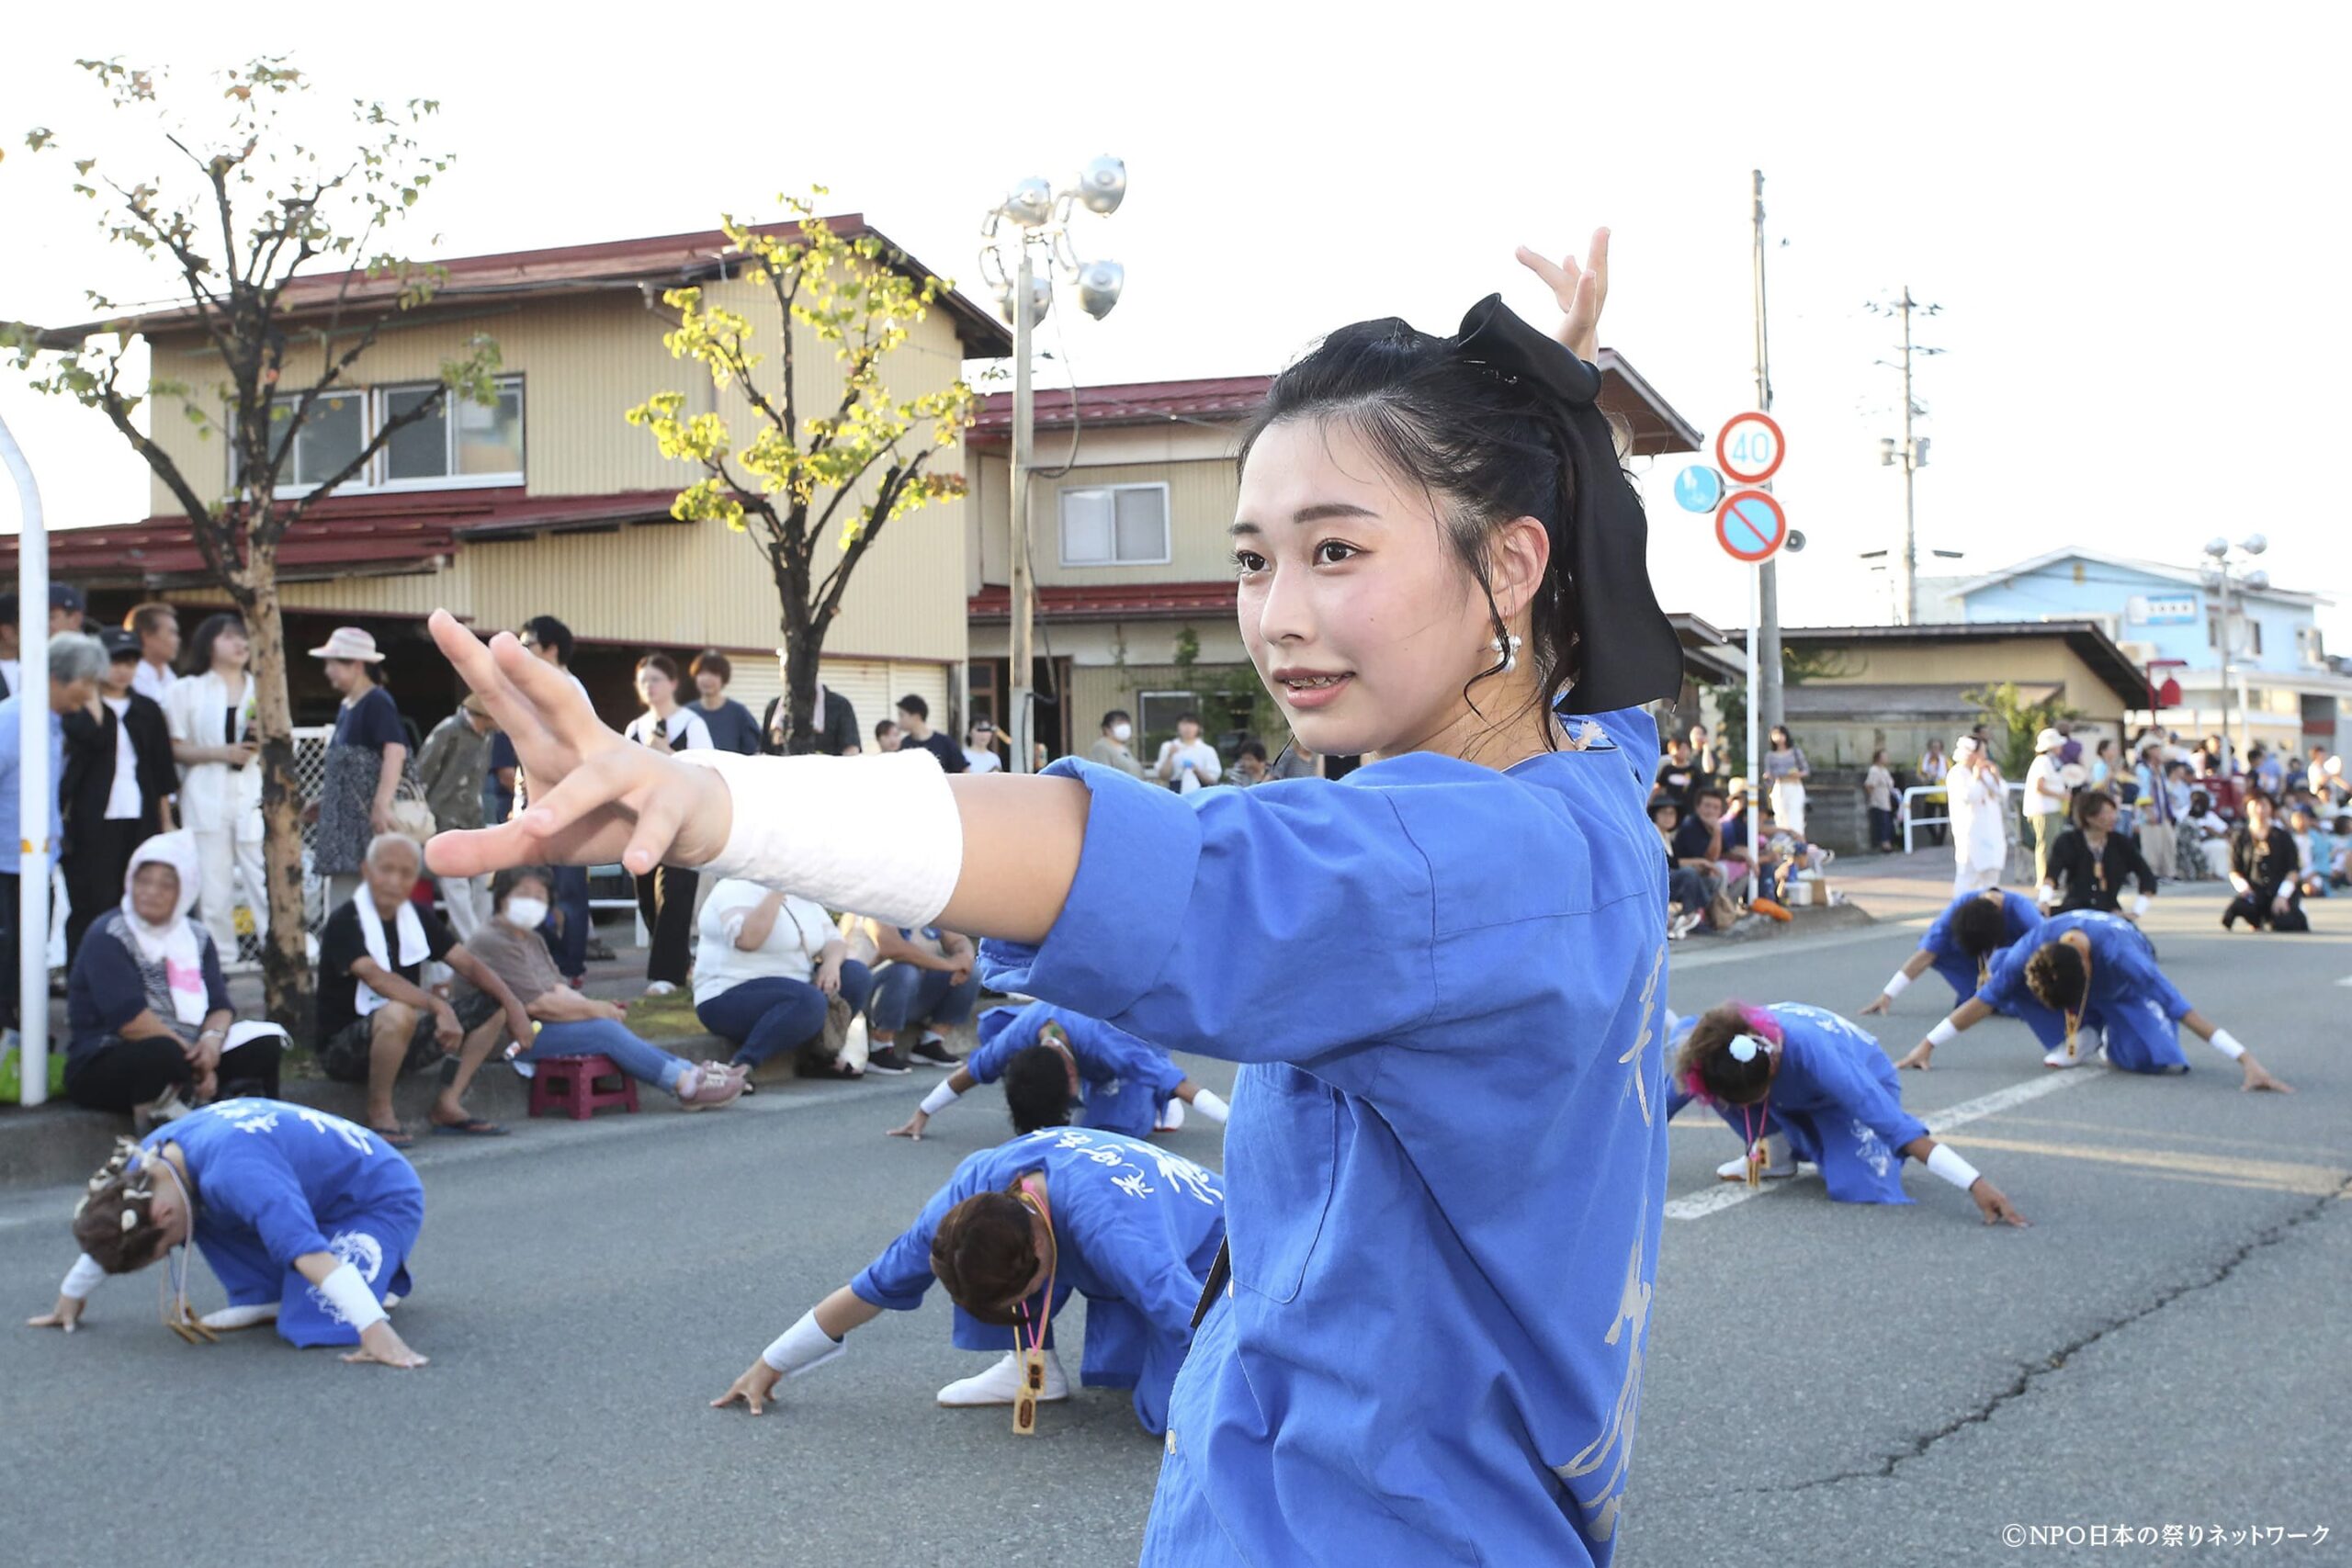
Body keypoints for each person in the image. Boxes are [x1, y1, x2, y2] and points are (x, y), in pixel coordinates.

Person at [426, 232, 1688, 1563]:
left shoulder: (1441, 856)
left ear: (1510, 565)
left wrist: (720, 802)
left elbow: (1137, 868)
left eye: (1337, 551)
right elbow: (1596, 660)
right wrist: (1566, 404)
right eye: (1255, 559)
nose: (1278, 616)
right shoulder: (1593, 781)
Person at [712, 1124, 1227, 1438]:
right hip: (1095, 1240)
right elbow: (874, 1286)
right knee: (974, 1267)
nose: (1017, 1314)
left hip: (1213, 1252)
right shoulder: (964, 1204)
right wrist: (768, 1364)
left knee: (1172, 1420)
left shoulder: (1118, 1237)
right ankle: (1032, 1372)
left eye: (1022, 1301)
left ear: (1044, 1247)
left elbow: (1197, 1319)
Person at [28, 1101, 429, 1363]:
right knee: (201, 1209)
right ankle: (271, 1293)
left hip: (373, 1196)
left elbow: (305, 1248)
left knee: (315, 1324)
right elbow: (123, 1220)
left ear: (164, 1213)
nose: (174, 1248)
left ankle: (362, 1291)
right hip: (298, 1190)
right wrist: (72, 1294)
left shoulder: (238, 1173)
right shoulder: (151, 1162)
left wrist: (374, 1330)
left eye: (169, 1245)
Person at [1668, 1004, 2025, 1221]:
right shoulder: (1720, 1046)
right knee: (1695, 1063)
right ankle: (1774, 1151)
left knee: (1857, 1184)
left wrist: (1974, 1182)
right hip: (1786, 1092)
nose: (1741, 1109)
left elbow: (1895, 1125)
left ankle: (1797, 1140)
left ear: (1774, 1066)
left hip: (1856, 1086)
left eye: (1750, 1101)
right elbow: (1662, 1104)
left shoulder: (1819, 1059)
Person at [1898, 909, 2292, 1089]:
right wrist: (1926, 1045)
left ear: (2087, 969)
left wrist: (2247, 1061)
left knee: (2151, 1061)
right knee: (2001, 969)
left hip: (2122, 990)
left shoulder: (2127, 961)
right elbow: (1983, 1002)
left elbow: (2186, 1011)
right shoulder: (2031, 950)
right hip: (2065, 974)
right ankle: (2080, 1032)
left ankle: (2110, 1033)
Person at [314, 833, 536, 1146]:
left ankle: (449, 1102)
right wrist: (438, 1006)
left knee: (494, 1003)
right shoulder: (345, 920)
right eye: (386, 870)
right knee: (398, 1012)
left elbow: (469, 965)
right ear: (366, 870)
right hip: (344, 1048)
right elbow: (377, 978)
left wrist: (514, 1005)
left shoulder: (416, 917)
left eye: (405, 873)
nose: (394, 880)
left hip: (402, 1038)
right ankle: (380, 1112)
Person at [460, 867, 743, 1109]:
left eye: (539, 897)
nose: (531, 903)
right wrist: (594, 1009)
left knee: (604, 1023)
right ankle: (685, 1086)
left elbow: (557, 988)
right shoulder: (494, 940)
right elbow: (537, 1004)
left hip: (531, 1027)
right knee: (603, 1030)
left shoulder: (530, 938)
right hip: (504, 1037)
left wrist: (595, 1009)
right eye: (523, 895)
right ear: (503, 897)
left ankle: (688, 1070)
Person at [62, 833, 286, 1125]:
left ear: (185, 890)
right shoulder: (109, 933)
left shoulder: (196, 936)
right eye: (144, 881)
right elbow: (131, 1022)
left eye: (165, 884)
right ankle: (160, 1144)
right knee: (160, 1054)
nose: (151, 891)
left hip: (189, 1055)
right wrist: (196, 1062)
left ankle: (255, 1129)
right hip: (110, 1057)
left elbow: (219, 1005)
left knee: (263, 1041)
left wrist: (211, 1045)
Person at [890, 1000, 1232, 1143]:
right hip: (1066, 1027)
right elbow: (971, 1072)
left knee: (1110, 1134)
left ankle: (1153, 1098)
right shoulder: (1019, 1037)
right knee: (991, 1028)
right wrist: (923, 1112)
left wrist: (1236, 1123)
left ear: (1073, 1077)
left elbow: (1184, 1085)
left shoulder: (1111, 1046)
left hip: (1138, 1036)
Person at [1, 634, 107, 1035]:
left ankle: (18, 1043)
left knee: (26, 959)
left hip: (35, 861)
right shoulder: (13, 720)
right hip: (6, 862)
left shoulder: (56, 724)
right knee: (7, 956)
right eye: (89, 682)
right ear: (62, 677)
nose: (92, 693)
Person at [61, 630, 178, 963]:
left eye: (130, 661)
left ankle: (138, 973)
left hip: (141, 818)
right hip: (91, 819)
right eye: (114, 661)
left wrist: (166, 823)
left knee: (140, 899)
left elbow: (161, 770)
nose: (122, 670)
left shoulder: (147, 709)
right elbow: (84, 747)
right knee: (92, 902)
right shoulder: (78, 706)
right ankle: (82, 977)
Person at [693, 876, 874, 1082]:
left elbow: (834, 940)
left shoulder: (802, 894)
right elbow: (748, 940)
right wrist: (776, 892)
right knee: (809, 1001)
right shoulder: (733, 888)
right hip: (730, 992)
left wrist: (830, 964)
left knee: (856, 976)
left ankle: (820, 1057)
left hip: (797, 989)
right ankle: (742, 1067)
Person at [164, 613, 266, 967]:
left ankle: (278, 949)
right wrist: (220, 753)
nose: (241, 645)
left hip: (253, 792)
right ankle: (221, 960)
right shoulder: (186, 690)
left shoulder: (264, 688)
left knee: (262, 873)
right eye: (230, 637)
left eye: (244, 638)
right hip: (205, 793)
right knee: (212, 883)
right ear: (209, 643)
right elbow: (174, 746)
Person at [623, 653, 711, 993]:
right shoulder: (635, 728)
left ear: (673, 683)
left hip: (683, 824)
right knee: (647, 896)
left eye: (656, 680)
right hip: (642, 824)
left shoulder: (692, 724)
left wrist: (666, 751)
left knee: (674, 894)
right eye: (644, 681)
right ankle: (680, 964)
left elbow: (705, 775)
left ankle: (666, 976)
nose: (650, 687)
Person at [516, 616, 594, 986]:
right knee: (536, 886)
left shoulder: (567, 688)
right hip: (541, 801)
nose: (521, 653)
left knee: (568, 892)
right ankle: (559, 965)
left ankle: (570, 969)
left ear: (551, 649)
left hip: (568, 802)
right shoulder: (540, 687)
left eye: (527, 645)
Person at [311, 627, 408, 913]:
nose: (328, 671)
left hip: (365, 825)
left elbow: (395, 749)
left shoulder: (377, 701)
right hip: (344, 827)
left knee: (358, 903)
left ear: (356, 664)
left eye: (334, 663)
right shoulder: (346, 706)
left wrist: (382, 803)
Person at [1860, 887, 2043, 1014]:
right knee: (1937, 945)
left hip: (2014, 958)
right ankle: (1979, 991)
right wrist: (1888, 994)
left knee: (2013, 1004)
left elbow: (2051, 947)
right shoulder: (1960, 908)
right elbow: (1926, 954)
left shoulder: (2024, 911)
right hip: (1976, 956)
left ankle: (2004, 996)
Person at [409, 694, 498, 941]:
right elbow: (422, 772)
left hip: (473, 816)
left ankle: (476, 934)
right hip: (444, 817)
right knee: (455, 883)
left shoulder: (487, 736)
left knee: (486, 878)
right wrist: (421, 813)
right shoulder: (449, 730)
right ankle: (473, 942)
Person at [857, 916, 980, 1074]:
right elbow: (892, 948)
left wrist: (964, 957)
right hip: (867, 996)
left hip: (909, 994)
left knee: (971, 972)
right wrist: (949, 965)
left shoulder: (924, 908)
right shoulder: (872, 905)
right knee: (904, 970)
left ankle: (930, 1043)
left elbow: (959, 940)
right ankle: (879, 1047)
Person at [2041, 789, 2158, 919]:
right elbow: (2051, 875)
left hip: (2111, 912)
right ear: (2089, 817)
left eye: (2113, 812)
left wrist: (2137, 911)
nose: (2113, 817)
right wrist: (2044, 901)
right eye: (2106, 813)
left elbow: (2147, 877)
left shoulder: (2121, 843)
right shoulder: (2068, 841)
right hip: (2074, 910)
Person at [2223, 792, 2305, 932]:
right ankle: (2256, 919)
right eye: (2255, 805)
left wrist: (2282, 896)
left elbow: (2293, 870)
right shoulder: (2241, 837)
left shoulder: (2283, 837)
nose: (2260, 810)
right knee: (2240, 907)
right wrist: (2244, 889)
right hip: (2255, 890)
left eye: (2264, 805)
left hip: (2278, 889)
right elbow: (2235, 870)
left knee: (2285, 923)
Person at [762, 655, 863, 755]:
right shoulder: (773, 708)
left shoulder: (840, 706)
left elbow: (851, 751)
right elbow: (765, 752)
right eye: (786, 669)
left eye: (799, 669)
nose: (793, 674)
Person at [1945, 735, 2008, 894]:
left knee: (1991, 873)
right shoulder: (1956, 774)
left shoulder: (1985, 772)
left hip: (1992, 831)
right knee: (1968, 875)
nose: (1985, 756)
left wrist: (1996, 776)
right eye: (1982, 752)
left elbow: (2002, 793)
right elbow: (1968, 797)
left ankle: (1989, 910)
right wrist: (1976, 777)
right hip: (1971, 833)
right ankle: (1962, 910)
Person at [686, 650, 763, 756]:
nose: (707, 679)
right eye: (702, 673)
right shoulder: (687, 714)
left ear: (724, 679)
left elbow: (752, 752)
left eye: (714, 674)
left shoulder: (739, 713)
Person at [2020, 727, 2070, 886]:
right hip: (2044, 810)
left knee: (2052, 845)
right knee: (2046, 845)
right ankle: (2044, 880)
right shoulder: (2043, 761)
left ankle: (2050, 879)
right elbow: (2040, 786)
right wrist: (2060, 795)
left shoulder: (2050, 762)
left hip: (2051, 809)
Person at [1154, 713, 1222, 795]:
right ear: (1177, 727)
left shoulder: (1207, 750)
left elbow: (1213, 780)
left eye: (1192, 724)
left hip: (1202, 792)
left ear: (1199, 728)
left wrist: (1197, 771)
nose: (1188, 728)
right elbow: (1163, 776)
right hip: (1175, 790)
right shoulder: (1168, 746)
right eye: (1184, 724)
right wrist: (1170, 756)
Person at [125, 603, 181, 705]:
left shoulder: (170, 676)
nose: (177, 640)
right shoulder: (129, 678)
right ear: (147, 636)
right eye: (172, 632)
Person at [893, 693, 964, 773]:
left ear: (916, 716)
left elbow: (964, 771)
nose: (899, 721)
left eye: (902, 715)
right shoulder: (903, 745)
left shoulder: (945, 742)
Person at [1760, 724, 1809, 836]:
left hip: (1794, 786)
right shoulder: (1770, 755)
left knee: (1795, 815)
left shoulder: (1795, 752)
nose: (1778, 737)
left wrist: (1796, 774)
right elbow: (1768, 777)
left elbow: (1805, 770)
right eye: (1775, 734)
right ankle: (1783, 843)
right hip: (1780, 787)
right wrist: (1768, 777)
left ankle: (1798, 840)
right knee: (1781, 816)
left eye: (1780, 734)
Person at [1089, 708, 1149, 779]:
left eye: (1127, 723)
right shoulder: (1101, 747)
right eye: (1119, 723)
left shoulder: (1123, 748)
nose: (1124, 727)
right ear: (1107, 728)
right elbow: (1103, 775)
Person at [1916, 737, 1949, 847]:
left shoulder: (1945, 760)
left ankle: (1940, 840)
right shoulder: (1924, 760)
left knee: (1944, 816)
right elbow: (1919, 774)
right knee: (1928, 816)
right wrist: (1925, 778)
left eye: (1938, 747)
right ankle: (1935, 837)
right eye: (1933, 747)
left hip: (1942, 792)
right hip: (1929, 793)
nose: (1935, 750)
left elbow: (1950, 774)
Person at [1651, 736, 1698, 812]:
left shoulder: (1694, 770)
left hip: (1689, 809)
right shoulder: (1667, 769)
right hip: (1670, 808)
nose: (1682, 751)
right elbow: (1659, 787)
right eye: (1678, 748)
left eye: (1685, 748)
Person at [1863, 748, 1897, 853]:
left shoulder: (1885, 771)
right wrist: (1873, 797)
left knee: (1887, 823)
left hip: (1886, 801)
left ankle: (1888, 842)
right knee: (1882, 823)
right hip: (1878, 802)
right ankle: (1884, 844)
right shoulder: (1874, 770)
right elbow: (1869, 785)